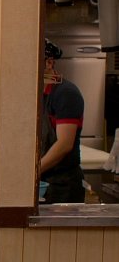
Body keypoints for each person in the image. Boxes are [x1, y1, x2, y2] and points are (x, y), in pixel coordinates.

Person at [40, 38, 85, 203]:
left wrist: (33, 172)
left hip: (63, 186)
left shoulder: (66, 93)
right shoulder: (38, 94)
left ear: (49, 63)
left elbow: (64, 144)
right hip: (44, 180)